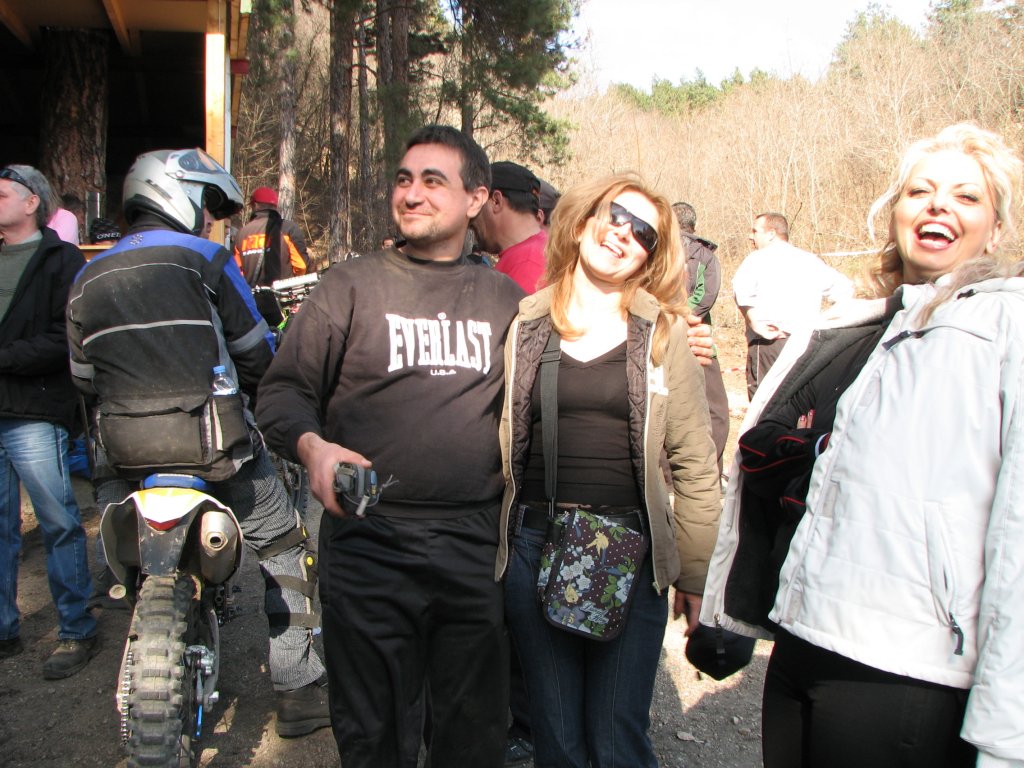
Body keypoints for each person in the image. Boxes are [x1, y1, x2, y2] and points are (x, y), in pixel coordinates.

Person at [703, 123, 1024, 767]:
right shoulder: (868, 327)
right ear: (895, 212)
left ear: (996, 228)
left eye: (966, 197)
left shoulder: (1008, 325)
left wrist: (1005, 736)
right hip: (803, 638)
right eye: (919, 191)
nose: (937, 205)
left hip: (908, 669)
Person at [256, 125, 525, 768]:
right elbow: (283, 392)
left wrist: (664, 338)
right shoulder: (350, 286)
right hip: (367, 540)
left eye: (433, 181)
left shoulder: (507, 300)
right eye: (404, 180)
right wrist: (314, 449)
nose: (411, 194)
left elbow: (568, 376)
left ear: (476, 198)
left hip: (475, 548)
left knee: (472, 737)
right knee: (372, 735)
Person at [65, 148, 330, 737]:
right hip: (215, 448)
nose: (210, 219)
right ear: (174, 194)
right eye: (206, 206)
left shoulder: (86, 276)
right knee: (284, 547)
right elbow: (255, 353)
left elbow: (82, 378)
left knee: (124, 551)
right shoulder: (206, 259)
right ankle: (297, 690)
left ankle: (147, 617)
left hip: (122, 455)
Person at [499, 173, 721, 768]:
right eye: (615, 216)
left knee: (618, 737)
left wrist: (695, 573)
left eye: (643, 232)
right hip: (534, 546)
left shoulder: (664, 335)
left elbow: (695, 464)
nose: (624, 234)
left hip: (630, 550)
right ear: (582, 222)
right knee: (556, 736)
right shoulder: (526, 322)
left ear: (651, 256)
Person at [0, 164, 97, 678]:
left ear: (32, 202)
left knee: (58, 521)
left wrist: (5, 358)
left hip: (34, 410)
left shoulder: (62, 261)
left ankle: (76, 628)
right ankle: (4, 628)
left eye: (1, 194)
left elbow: (66, 339)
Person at [732, 212, 853, 398]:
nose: (750, 236)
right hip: (806, 346)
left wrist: (755, 323)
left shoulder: (757, 259)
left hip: (771, 343)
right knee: (797, 404)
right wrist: (825, 324)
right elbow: (845, 289)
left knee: (764, 405)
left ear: (771, 234)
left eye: (755, 231)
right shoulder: (810, 260)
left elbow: (741, 291)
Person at [672, 201, 729, 474]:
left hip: (681, 339)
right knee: (715, 409)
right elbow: (707, 297)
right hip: (696, 340)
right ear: (693, 224)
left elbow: (703, 297)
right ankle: (708, 469)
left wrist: (673, 318)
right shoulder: (705, 254)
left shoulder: (698, 254)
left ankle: (676, 474)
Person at [234, 185, 309, 325]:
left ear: (255, 206)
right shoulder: (288, 229)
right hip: (283, 302)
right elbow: (301, 266)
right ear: (275, 206)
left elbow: (237, 273)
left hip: (253, 306)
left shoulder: (241, 234)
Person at [473, 161, 547, 294]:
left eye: (477, 203)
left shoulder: (526, 263)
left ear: (496, 201)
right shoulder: (538, 251)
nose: (471, 217)